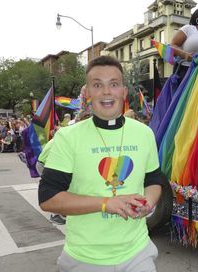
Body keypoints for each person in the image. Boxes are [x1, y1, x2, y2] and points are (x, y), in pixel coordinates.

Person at [39, 56, 165, 271]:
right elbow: (48, 198)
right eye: (98, 85)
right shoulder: (68, 137)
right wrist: (106, 203)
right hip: (85, 258)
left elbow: (154, 180)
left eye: (114, 84)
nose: (107, 91)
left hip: (138, 251)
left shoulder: (144, 133)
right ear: (87, 93)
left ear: (124, 92)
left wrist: (148, 203)